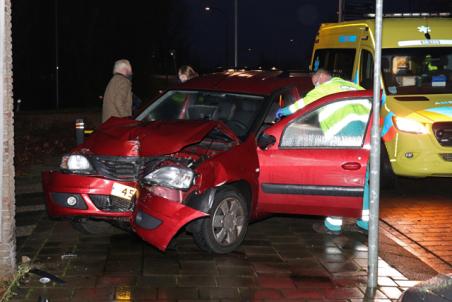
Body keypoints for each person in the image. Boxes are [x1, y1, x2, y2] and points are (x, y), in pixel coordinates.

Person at [276, 69, 370, 235]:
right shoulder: (352, 85)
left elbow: (302, 106)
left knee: (338, 180)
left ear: (320, 77)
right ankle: (365, 223)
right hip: (366, 137)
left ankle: (333, 225)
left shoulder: (324, 88)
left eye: (314, 82)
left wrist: (282, 112)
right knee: (364, 181)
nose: (315, 85)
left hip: (343, 138)